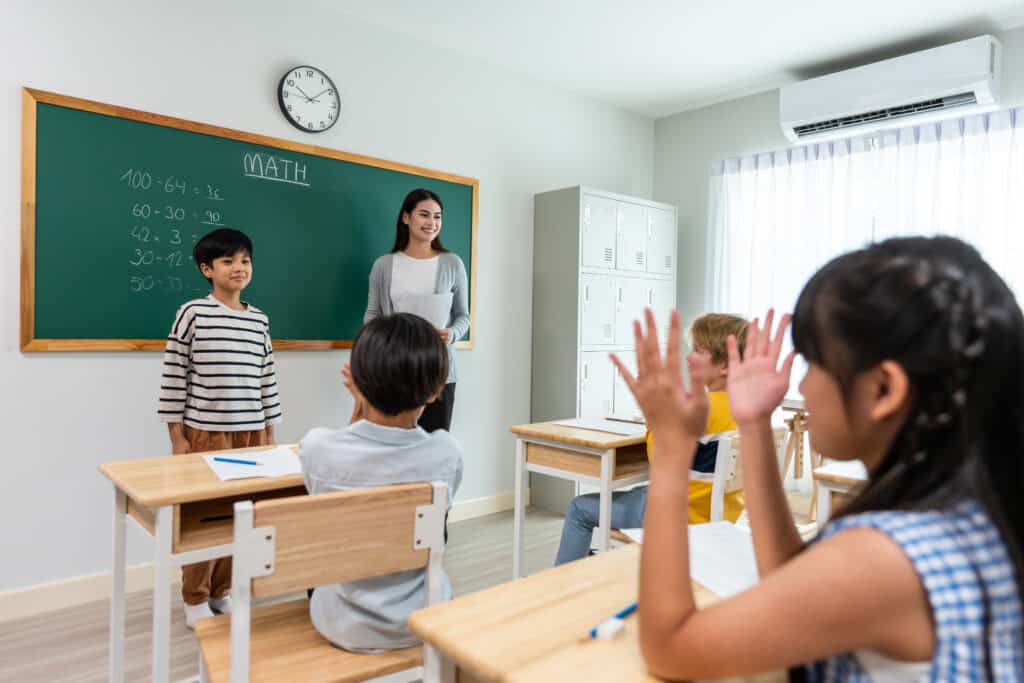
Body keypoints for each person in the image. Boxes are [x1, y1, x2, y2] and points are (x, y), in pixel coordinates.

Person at [615, 236, 1022, 681]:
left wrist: (673, 451)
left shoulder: (883, 558)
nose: (802, 388)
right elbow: (792, 580)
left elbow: (671, 649)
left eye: (813, 364)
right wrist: (753, 422)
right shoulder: (967, 513)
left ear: (884, 389)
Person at [300, 312, 463, 652]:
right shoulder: (446, 453)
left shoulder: (317, 448)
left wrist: (360, 409)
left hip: (343, 625)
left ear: (358, 381)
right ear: (435, 390)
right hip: (424, 617)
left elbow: (344, 451)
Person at [157, 228, 282, 629]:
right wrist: (176, 436)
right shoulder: (192, 312)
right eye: (227, 261)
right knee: (203, 520)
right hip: (207, 433)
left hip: (251, 436)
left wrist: (270, 434)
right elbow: (174, 375)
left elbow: (267, 378)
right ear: (206, 269)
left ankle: (222, 590)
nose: (238, 268)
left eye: (244, 260)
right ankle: (195, 595)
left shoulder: (259, 319)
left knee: (240, 517)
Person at [553, 313, 748, 565]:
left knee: (580, 508)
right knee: (640, 491)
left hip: (674, 516)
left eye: (698, 351)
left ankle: (563, 587)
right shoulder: (749, 408)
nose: (688, 358)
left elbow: (660, 462)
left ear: (725, 365)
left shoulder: (702, 408)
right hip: (718, 516)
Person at [364, 188, 469, 432]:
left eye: (437, 216)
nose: (432, 222)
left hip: (439, 373)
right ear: (406, 217)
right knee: (392, 452)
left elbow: (463, 316)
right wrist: (384, 343)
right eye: (424, 215)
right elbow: (372, 317)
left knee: (434, 453)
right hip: (392, 371)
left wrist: (451, 334)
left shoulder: (452, 263)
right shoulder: (383, 266)